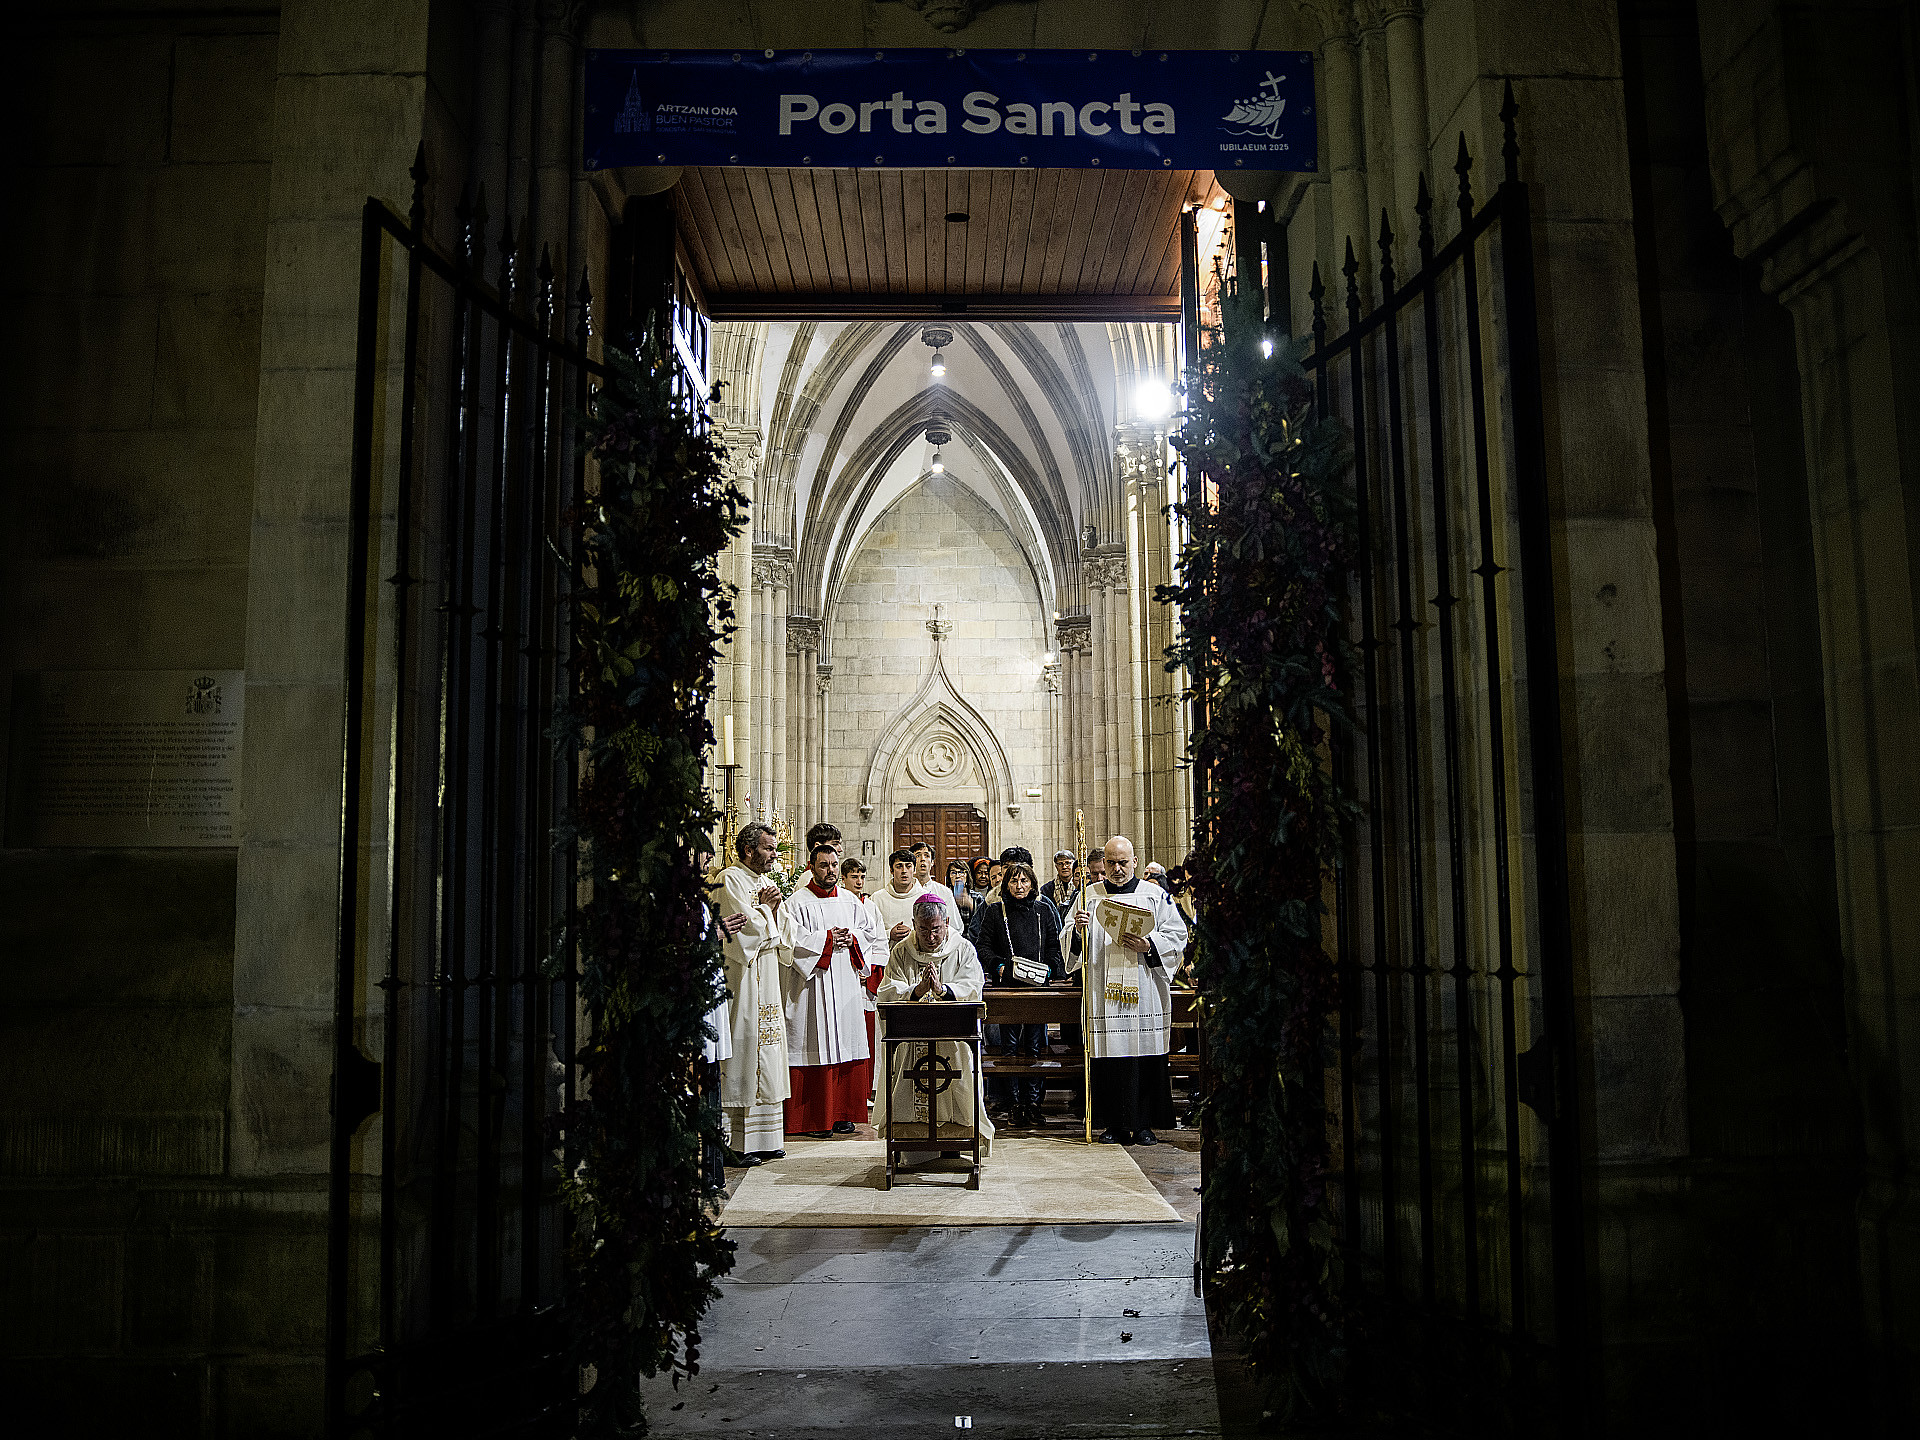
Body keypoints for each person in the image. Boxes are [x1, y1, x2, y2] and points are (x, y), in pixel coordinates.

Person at [1065, 834, 1189, 1146]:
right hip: (1103, 996)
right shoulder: (1088, 897)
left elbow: (1178, 934)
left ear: (1134, 861)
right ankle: (1114, 1125)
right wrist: (1077, 930)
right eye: (1111, 863)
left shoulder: (1156, 895)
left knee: (1144, 1057)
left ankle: (1144, 1125)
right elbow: (1069, 944)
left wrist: (1150, 944)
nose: (1117, 869)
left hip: (1145, 989)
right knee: (1111, 1059)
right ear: (1102, 865)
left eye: (1123, 862)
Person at [876, 896, 996, 1159]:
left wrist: (944, 990)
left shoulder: (962, 948)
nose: (930, 936)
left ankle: (958, 1139)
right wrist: (915, 991)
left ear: (947, 923)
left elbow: (974, 987)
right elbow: (886, 992)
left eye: (936, 929)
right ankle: (910, 1143)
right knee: (909, 1076)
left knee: (959, 1078)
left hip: (954, 1038)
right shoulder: (901, 951)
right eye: (923, 929)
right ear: (913, 924)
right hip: (910, 1038)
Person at [713, 821, 800, 1164]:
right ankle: (735, 1144)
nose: (774, 855)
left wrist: (775, 910)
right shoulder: (729, 879)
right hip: (743, 977)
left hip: (766, 975)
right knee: (745, 1050)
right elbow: (744, 932)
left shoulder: (765, 881)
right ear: (749, 850)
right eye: (768, 848)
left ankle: (765, 1137)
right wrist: (767, 911)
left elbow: (784, 931)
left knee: (768, 1050)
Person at [782, 842, 880, 1138]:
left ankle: (843, 1114)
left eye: (834, 865)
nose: (830, 871)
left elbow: (869, 933)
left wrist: (852, 940)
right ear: (812, 867)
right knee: (813, 1043)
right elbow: (790, 942)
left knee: (845, 1042)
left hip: (845, 985)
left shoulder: (851, 901)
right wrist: (825, 940)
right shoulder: (796, 902)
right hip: (813, 986)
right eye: (824, 865)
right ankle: (814, 1119)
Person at [973, 861, 1066, 1127]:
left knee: (1036, 1047)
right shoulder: (994, 911)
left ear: (1032, 883)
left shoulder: (1042, 910)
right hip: (1008, 990)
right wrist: (999, 967)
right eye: (1014, 881)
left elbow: (1053, 945)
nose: (1019, 886)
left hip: (1038, 991)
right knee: (1010, 1049)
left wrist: (1050, 969)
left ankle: (1034, 1103)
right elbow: (984, 947)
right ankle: (1014, 1103)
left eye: (1024, 881)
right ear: (1006, 885)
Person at [696, 840, 750, 1185]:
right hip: (698, 1000)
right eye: (704, 857)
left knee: (711, 1077)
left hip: (709, 993)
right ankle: (707, 1169)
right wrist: (718, 933)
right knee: (704, 1080)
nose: (708, 864)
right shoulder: (685, 903)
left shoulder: (698, 899)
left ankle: (713, 1168)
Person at [840, 855, 887, 1104]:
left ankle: (867, 1088)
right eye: (853, 876)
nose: (858, 881)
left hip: (865, 981)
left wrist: (867, 970)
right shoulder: (838, 903)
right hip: (843, 979)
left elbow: (879, 941)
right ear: (843, 878)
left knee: (868, 1036)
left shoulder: (870, 906)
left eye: (861, 876)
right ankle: (849, 1092)